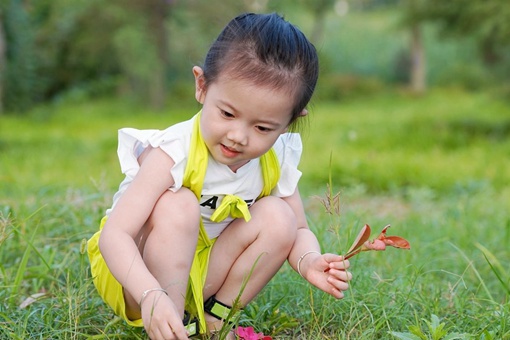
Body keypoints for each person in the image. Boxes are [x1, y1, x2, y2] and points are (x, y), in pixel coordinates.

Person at [87, 12, 352, 340]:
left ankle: (215, 317)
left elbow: (297, 229)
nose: (238, 136)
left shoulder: (275, 158)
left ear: (290, 122)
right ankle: (172, 325)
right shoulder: (173, 151)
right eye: (227, 114)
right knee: (178, 203)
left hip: (203, 269)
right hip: (136, 276)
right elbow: (116, 235)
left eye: (262, 127)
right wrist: (149, 295)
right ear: (202, 86)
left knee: (279, 216)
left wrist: (309, 260)